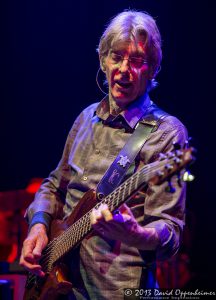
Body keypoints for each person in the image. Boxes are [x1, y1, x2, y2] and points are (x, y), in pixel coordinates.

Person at [20, 10, 188, 299]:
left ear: (153, 69)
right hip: (61, 287)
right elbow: (53, 185)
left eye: (137, 61)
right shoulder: (85, 119)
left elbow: (170, 233)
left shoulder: (167, 133)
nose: (124, 69)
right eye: (116, 56)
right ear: (103, 60)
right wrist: (38, 226)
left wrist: (136, 234)